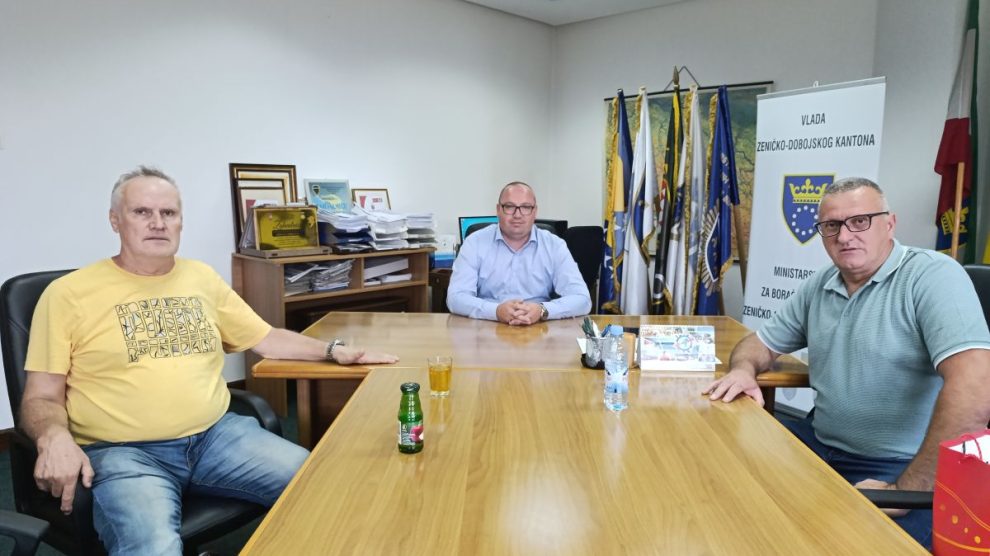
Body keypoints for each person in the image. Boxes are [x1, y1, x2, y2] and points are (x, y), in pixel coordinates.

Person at [19, 166, 398, 555]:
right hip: (123, 453)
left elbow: (265, 337)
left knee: (321, 484)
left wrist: (333, 350)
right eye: (142, 212)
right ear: (115, 220)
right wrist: (53, 437)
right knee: (152, 547)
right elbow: (40, 396)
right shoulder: (68, 295)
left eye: (168, 213)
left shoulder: (200, 277)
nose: (158, 223)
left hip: (215, 437)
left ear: (181, 222)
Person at [703, 177, 990, 547]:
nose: (844, 236)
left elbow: (976, 388)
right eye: (831, 226)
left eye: (860, 221)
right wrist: (744, 369)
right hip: (819, 444)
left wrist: (905, 489)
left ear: (890, 224)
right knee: (724, 493)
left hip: (900, 466)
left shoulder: (933, 276)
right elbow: (757, 344)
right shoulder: (821, 283)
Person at [447, 181, 591, 325]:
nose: (517, 215)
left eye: (526, 207)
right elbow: (455, 297)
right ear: (498, 210)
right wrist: (495, 311)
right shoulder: (474, 243)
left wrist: (542, 310)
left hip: (539, 328)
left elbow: (582, 299)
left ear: (535, 211)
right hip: (487, 325)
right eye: (509, 207)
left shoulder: (554, 245)